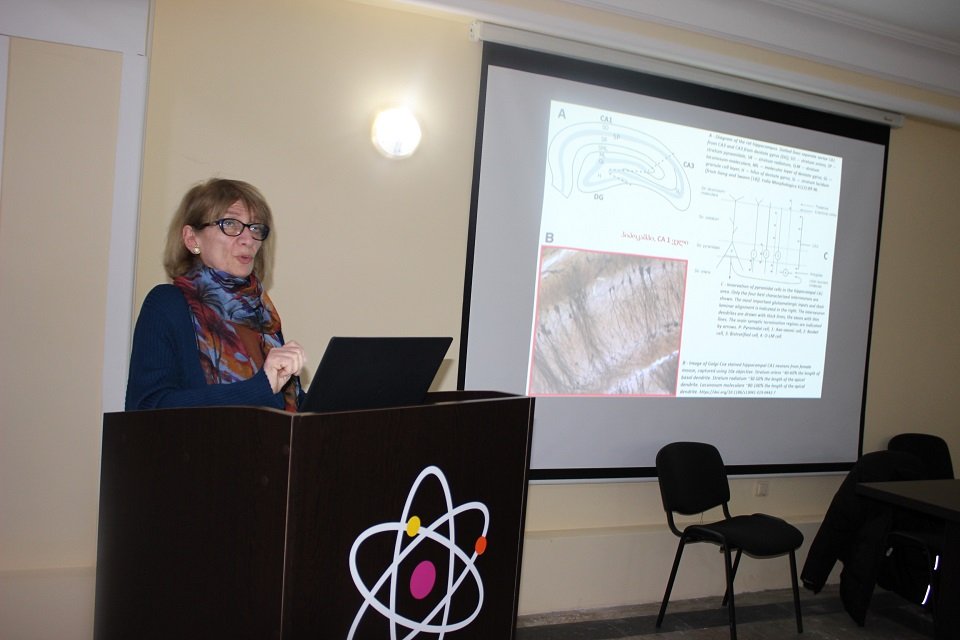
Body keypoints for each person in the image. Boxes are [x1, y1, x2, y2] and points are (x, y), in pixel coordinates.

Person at [125, 178, 307, 411]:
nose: (248, 239)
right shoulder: (167, 303)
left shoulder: (261, 313)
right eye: (230, 224)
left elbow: (283, 405)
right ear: (192, 239)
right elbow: (147, 407)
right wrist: (261, 387)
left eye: (255, 227)